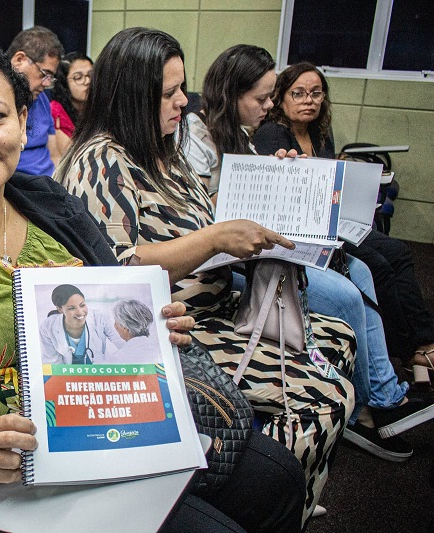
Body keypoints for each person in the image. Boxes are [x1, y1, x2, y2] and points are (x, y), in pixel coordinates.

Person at [0, 37, 305, 533]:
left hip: (107, 426)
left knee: (279, 480)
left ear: (23, 122)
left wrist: (151, 325)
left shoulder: (48, 202)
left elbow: (111, 299)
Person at [54, 27, 356, 525]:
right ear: (132, 96)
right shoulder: (101, 161)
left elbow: (207, 215)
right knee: (321, 398)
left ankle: (281, 492)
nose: (183, 102)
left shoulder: (163, 147)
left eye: (182, 88)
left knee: (340, 335)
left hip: (212, 306)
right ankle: (268, 496)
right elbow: (114, 268)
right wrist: (214, 240)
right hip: (170, 329)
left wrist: (275, 184)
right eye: (169, 93)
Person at [184, 46, 434, 461]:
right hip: (231, 260)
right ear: (231, 93)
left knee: (365, 271)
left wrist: (283, 175)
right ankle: (368, 411)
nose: (269, 107)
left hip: (260, 249)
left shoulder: (244, 135)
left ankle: (385, 395)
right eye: (262, 98)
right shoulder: (197, 139)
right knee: (347, 295)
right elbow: (206, 219)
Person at [253, 62, 434, 390]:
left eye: (316, 93)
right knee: (377, 265)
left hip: (333, 216)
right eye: (299, 93)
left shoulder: (319, 132)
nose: (309, 100)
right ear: (280, 98)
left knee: (399, 251)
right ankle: (408, 351)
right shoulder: (272, 134)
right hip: (308, 224)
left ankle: (422, 344)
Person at [7, 26, 63, 176]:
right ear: (19, 60)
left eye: (50, 78)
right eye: (44, 74)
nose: (46, 84)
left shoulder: (42, 99)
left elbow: (55, 154)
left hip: (49, 183)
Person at [39, 284, 124, 364]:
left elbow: (123, 344)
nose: (79, 312)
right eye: (71, 308)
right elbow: (53, 363)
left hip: (98, 373)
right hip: (67, 376)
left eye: (82, 305)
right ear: (60, 309)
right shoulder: (47, 327)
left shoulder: (100, 319)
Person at [49, 52, 93, 153]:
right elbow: (68, 155)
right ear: (64, 83)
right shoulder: (55, 111)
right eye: (78, 78)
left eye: (91, 75)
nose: (87, 82)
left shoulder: (99, 107)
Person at [109, 299, 161, 364]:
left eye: (115, 320)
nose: (115, 325)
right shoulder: (159, 351)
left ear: (125, 328)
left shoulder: (118, 358)